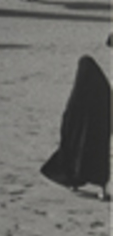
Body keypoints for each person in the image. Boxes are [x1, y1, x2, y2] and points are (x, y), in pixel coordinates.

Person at [40, 56, 110, 201]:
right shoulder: (103, 89)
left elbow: (68, 115)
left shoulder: (79, 93)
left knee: (74, 154)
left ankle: (73, 182)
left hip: (80, 136)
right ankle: (102, 190)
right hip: (98, 138)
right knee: (99, 162)